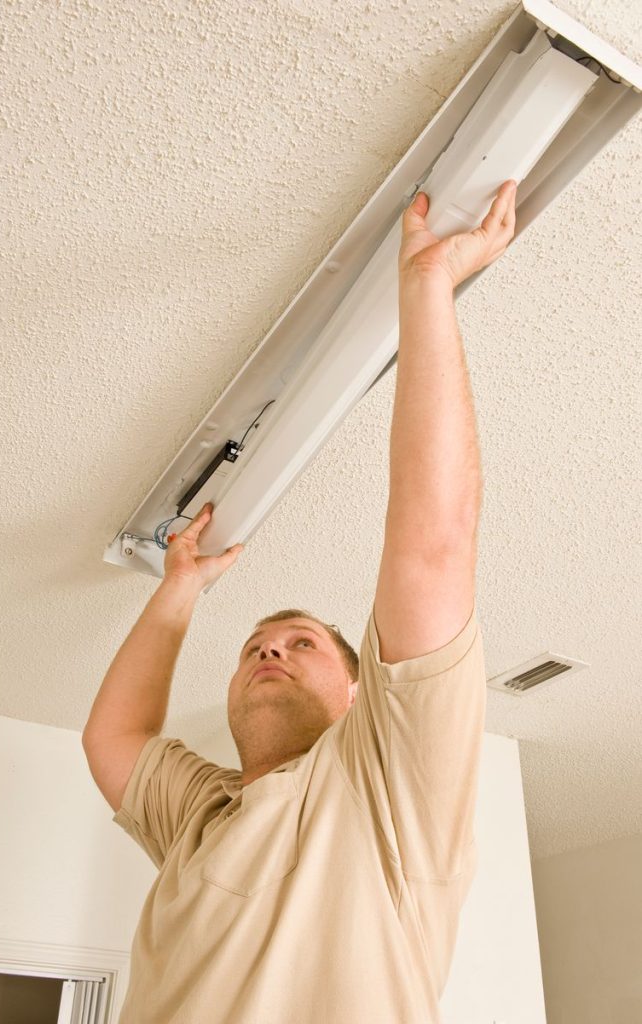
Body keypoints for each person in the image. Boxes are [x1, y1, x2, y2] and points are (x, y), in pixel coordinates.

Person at [83, 180, 517, 1023]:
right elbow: (116, 739)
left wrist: (427, 287)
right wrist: (180, 588)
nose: (268, 651)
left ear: (358, 693)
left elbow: (433, 548)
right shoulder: (200, 817)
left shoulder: (387, 786)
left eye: (299, 643)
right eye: (255, 649)